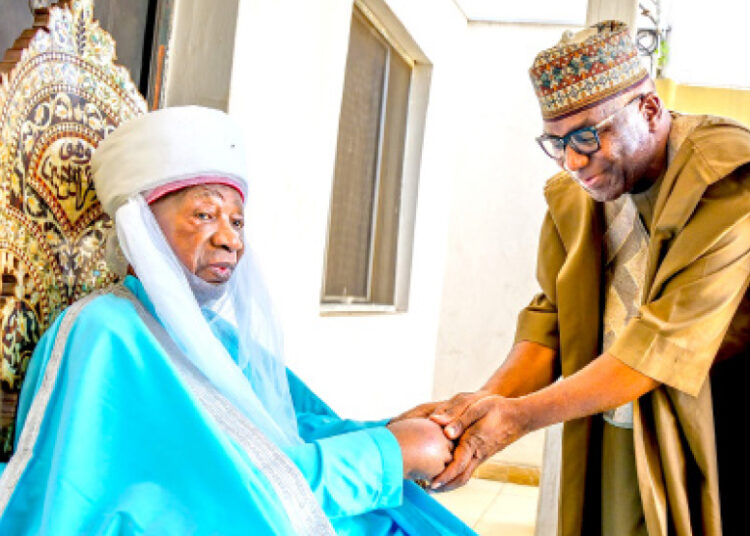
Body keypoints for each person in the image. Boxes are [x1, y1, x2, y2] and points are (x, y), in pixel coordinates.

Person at [0, 106, 475, 535]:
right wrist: (389, 455)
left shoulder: (213, 333)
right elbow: (217, 494)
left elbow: (292, 428)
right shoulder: (104, 330)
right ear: (140, 225)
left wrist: (396, 428)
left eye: (238, 221)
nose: (232, 240)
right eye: (205, 214)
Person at [397, 20, 750, 536]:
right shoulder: (577, 198)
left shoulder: (725, 176)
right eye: (556, 141)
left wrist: (517, 419)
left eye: (588, 135)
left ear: (649, 110)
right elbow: (552, 321)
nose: (573, 160)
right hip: (611, 422)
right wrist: (481, 406)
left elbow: (663, 341)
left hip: (707, 426)